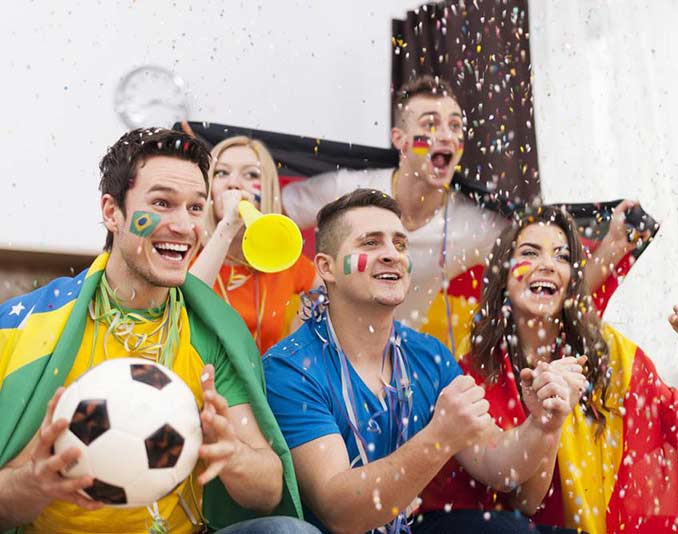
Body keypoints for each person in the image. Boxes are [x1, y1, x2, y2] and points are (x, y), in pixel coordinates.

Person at [0, 128, 318, 534]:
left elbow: (267, 491)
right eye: (162, 203)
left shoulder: (211, 330)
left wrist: (233, 454)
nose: (183, 226)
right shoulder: (33, 326)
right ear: (112, 212)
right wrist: (33, 483)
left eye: (195, 207)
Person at [263, 189, 586, 533]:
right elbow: (339, 513)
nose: (392, 255)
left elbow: (499, 467)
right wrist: (439, 438)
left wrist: (543, 423)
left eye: (400, 244)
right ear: (326, 267)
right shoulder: (291, 368)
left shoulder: (428, 355)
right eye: (371, 243)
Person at [281, 75, 644, 350]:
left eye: (455, 126)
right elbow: (268, 209)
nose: (446, 135)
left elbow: (552, 285)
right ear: (400, 140)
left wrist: (612, 246)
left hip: (393, 368)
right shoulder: (346, 190)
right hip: (318, 351)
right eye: (429, 124)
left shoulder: (475, 225)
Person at [419, 205, 678, 534]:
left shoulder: (610, 353)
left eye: (561, 257)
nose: (547, 264)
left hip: (593, 524)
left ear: (571, 282)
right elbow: (525, 502)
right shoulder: (479, 364)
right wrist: (549, 420)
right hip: (500, 525)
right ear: (503, 275)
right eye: (529, 253)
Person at [190, 136, 319, 354]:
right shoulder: (185, 253)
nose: (234, 183)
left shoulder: (284, 258)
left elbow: (336, 298)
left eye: (251, 174)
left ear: (268, 190)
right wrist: (227, 227)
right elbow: (183, 308)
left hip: (264, 376)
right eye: (221, 172)